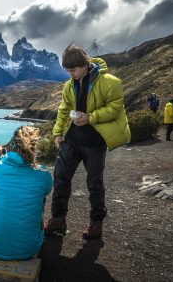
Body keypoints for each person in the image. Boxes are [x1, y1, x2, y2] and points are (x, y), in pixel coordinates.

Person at [43, 45, 130, 240]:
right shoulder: (69, 85)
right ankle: (58, 219)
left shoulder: (110, 82)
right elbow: (64, 109)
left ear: (85, 65)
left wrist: (90, 117)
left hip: (95, 141)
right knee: (60, 178)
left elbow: (115, 108)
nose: (70, 74)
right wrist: (57, 133)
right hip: (72, 139)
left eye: (73, 70)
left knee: (94, 183)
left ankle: (96, 223)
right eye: (67, 71)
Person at [0, 126, 52, 260]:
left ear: (10, 146)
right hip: (30, 248)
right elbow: (47, 190)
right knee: (39, 198)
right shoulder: (42, 174)